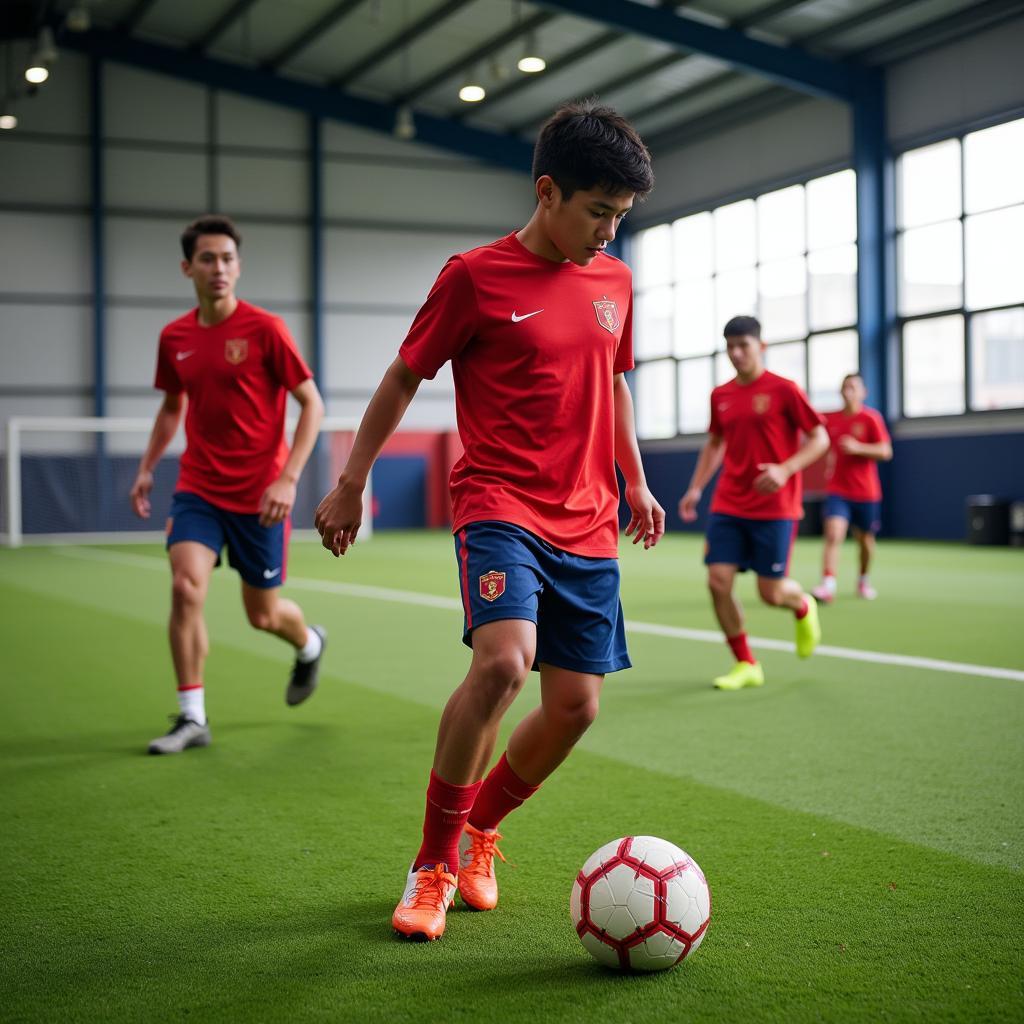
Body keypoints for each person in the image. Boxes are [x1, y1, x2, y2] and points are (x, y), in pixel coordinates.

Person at [314, 101, 664, 941]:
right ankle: (431, 863)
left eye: (621, 217)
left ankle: (482, 829)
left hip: (590, 517)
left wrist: (637, 479)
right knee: (506, 664)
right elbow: (405, 377)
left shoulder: (613, 281)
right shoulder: (473, 276)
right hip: (500, 502)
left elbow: (613, 380)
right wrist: (352, 479)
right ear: (547, 191)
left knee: (577, 707)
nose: (609, 234)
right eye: (597, 212)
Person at [130, 215, 327, 755]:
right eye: (208, 259)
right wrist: (148, 465)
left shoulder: (265, 330)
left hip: (261, 495)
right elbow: (173, 406)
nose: (219, 268)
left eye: (228, 259)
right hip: (198, 488)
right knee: (184, 586)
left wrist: (288, 479)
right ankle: (192, 716)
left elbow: (312, 403)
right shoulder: (175, 337)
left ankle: (309, 643)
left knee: (262, 615)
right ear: (187, 267)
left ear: (238, 267)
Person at [678, 316, 829, 691]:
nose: (736, 353)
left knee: (770, 593)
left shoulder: (785, 390)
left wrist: (785, 469)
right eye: (730, 346)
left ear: (761, 347)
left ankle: (802, 605)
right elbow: (715, 444)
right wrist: (696, 487)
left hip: (775, 507)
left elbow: (819, 438)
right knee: (717, 581)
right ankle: (746, 662)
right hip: (729, 502)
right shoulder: (721, 395)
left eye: (743, 345)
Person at [812, 373, 893, 602]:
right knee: (833, 534)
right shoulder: (832, 420)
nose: (848, 391)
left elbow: (886, 451)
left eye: (853, 387)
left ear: (863, 392)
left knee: (865, 541)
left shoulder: (871, 419)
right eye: (845, 387)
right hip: (838, 490)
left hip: (866, 492)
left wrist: (859, 448)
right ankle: (827, 585)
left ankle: (863, 580)